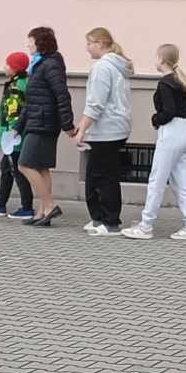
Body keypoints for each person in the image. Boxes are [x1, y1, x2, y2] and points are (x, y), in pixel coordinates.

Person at [122, 44, 186, 241]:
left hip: (171, 132)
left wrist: (155, 119)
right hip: (185, 131)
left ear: (162, 60)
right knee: (182, 181)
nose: (155, 60)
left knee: (156, 180)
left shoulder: (165, 83)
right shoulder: (179, 81)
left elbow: (168, 111)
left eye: (156, 57)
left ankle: (146, 226)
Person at [75, 27, 133, 236]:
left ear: (100, 43)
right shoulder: (117, 66)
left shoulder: (102, 68)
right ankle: (98, 217)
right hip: (114, 128)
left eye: (89, 43)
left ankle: (110, 221)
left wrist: (82, 128)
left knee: (104, 177)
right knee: (95, 175)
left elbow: (96, 103)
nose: (87, 48)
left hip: (107, 130)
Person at [17, 27, 72, 225]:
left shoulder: (50, 64)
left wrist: (68, 124)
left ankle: (49, 205)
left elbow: (62, 94)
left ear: (40, 43)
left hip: (43, 122)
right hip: (38, 119)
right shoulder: (40, 64)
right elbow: (31, 99)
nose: (28, 45)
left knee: (24, 165)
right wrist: (18, 126)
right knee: (41, 167)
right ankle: (42, 213)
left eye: (30, 41)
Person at [0, 50, 35, 219]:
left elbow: (13, 113)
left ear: (15, 68)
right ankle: (0, 203)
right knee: (7, 169)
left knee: (16, 170)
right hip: (17, 134)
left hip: (13, 136)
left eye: (7, 64)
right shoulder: (23, 82)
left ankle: (26, 207)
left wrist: (9, 134)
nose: (4, 67)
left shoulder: (15, 86)